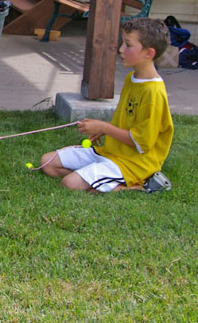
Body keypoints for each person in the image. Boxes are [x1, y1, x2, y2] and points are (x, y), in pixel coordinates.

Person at [39, 17, 174, 192]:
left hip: (133, 163)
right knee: (48, 163)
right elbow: (130, 122)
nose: (121, 49)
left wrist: (104, 127)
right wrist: (103, 129)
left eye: (128, 45)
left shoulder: (153, 92)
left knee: (70, 184)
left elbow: (142, 142)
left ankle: (140, 187)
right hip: (110, 152)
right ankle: (94, 177)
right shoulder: (132, 79)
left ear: (149, 53)